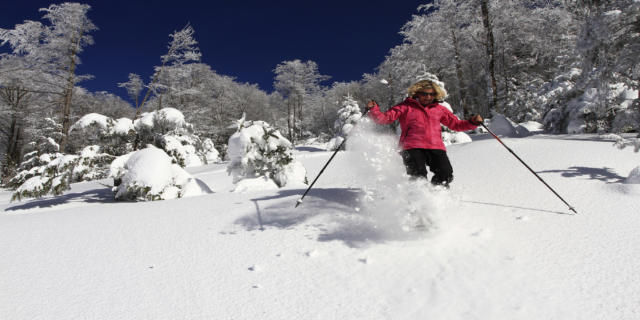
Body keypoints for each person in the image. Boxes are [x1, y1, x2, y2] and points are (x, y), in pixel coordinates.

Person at [366, 80, 483, 187]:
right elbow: (384, 119)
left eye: (431, 94)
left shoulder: (439, 109)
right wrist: (374, 109)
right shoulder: (405, 106)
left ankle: (436, 196)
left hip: (435, 147)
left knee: (445, 174)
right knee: (418, 177)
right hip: (412, 146)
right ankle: (417, 202)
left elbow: (456, 125)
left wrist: (473, 122)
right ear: (416, 93)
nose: (428, 97)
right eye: (424, 94)